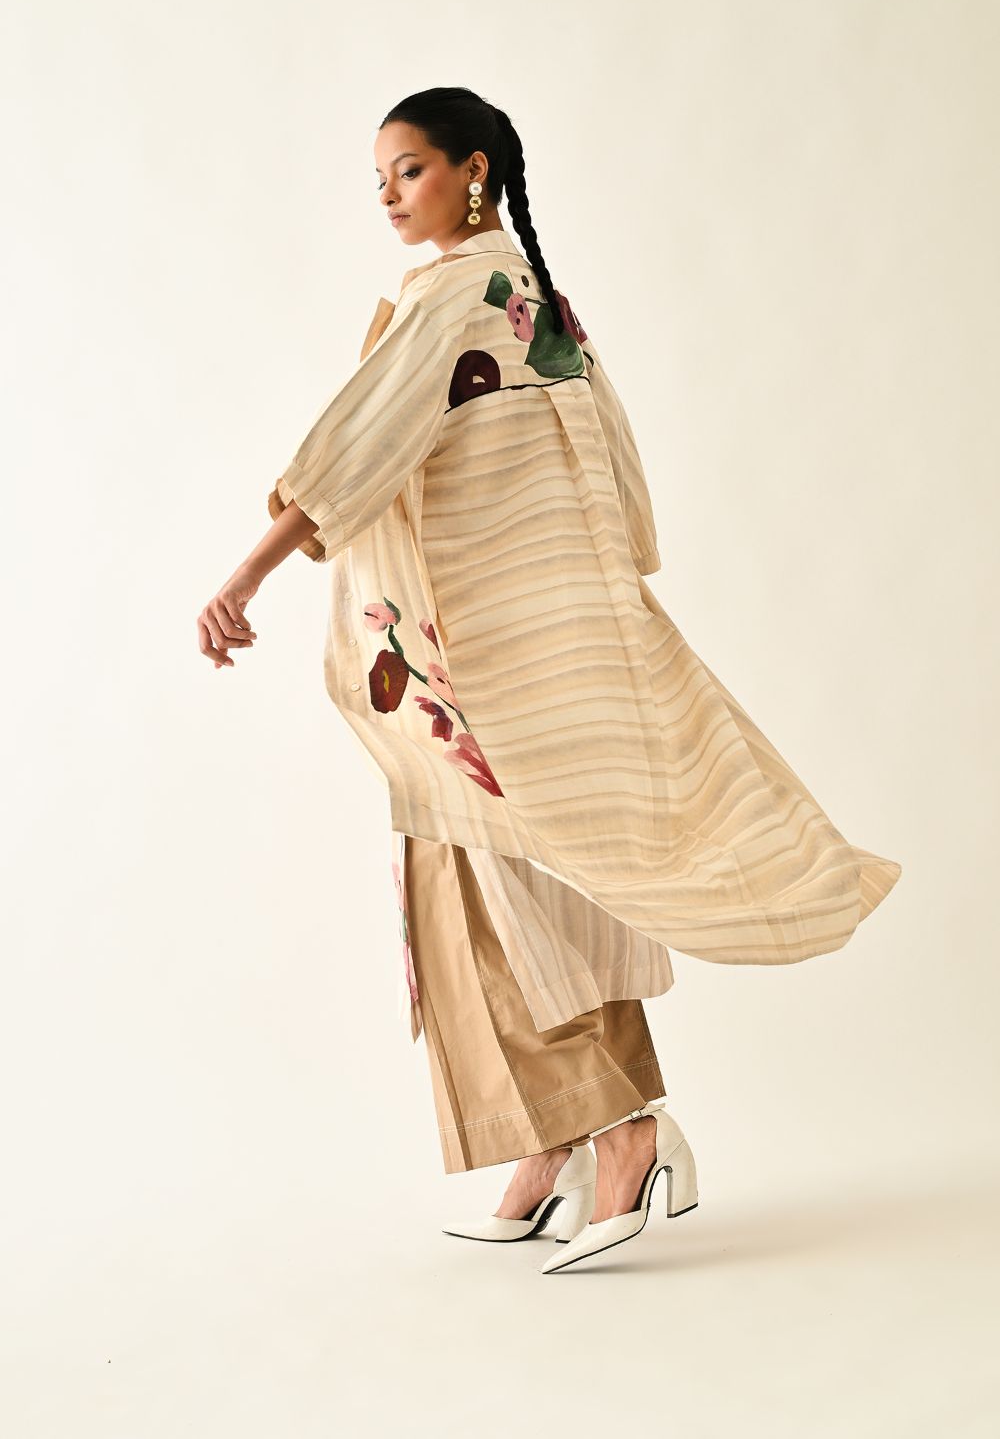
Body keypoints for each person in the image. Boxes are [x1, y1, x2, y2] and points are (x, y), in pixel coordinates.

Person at [197, 87, 902, 1273]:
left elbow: (361, 440)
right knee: (484, 875)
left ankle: (621, 1132)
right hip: (520, 634)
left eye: (409, 170)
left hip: (492, 640)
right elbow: (612, 473)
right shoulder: (534, 298)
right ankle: (554, 1141)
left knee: (503, 882)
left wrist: (246, 574)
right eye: (379, 177)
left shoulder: (463, 293)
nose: (387, 195)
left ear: (472, 170)